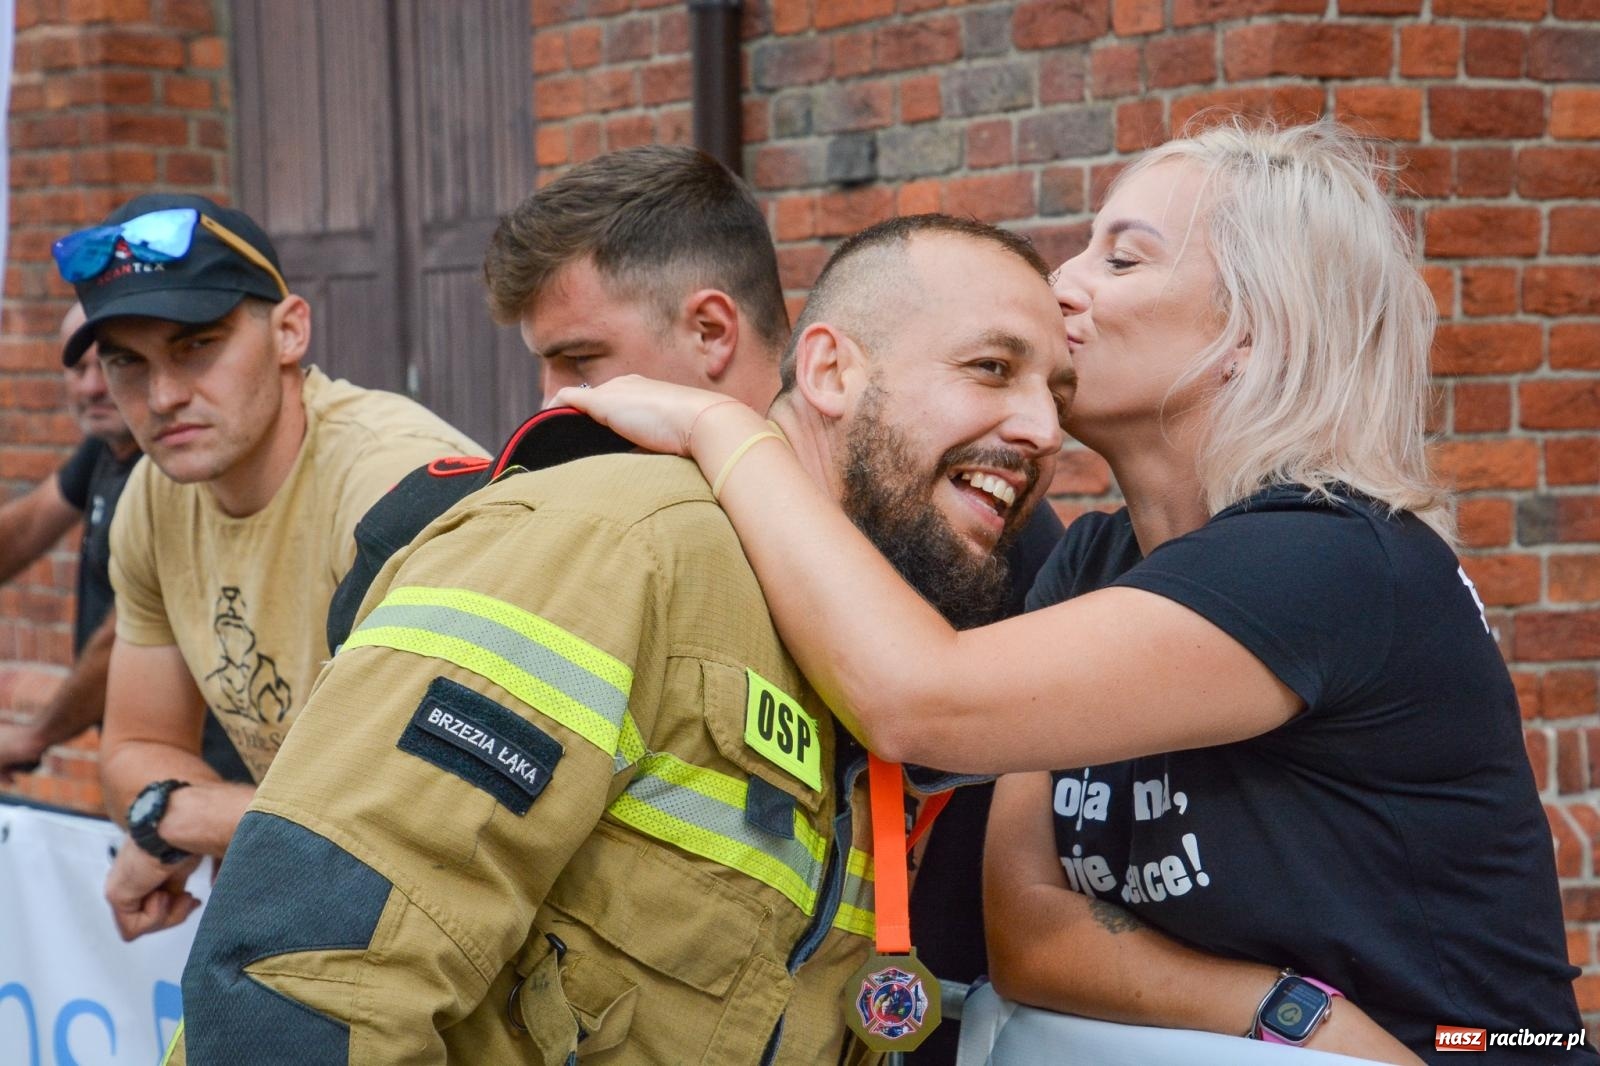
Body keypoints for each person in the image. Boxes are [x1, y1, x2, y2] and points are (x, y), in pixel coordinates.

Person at [558, 121, 1592, 1063]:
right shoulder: (1093, 560)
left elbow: (916, 697)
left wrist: (727, 430)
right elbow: (1029, 929)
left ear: (1249, 334)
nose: (1063, 284)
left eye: (1122, 258)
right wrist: (1288, 1010)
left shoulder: (1333, 560)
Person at [170, 212, 1075, 1064]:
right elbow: (309, 976)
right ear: (831, 372)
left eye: (1058, 395)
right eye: (992, 368)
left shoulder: (854, 641)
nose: (1044, 430)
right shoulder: (614, 540)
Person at [50, 192, 484, 942]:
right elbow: (134, 751)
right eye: (127, 362)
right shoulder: (152, 497)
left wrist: (190, 818)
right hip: (343, 908)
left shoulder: (392, 486)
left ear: (290, 332)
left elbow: (446, 805)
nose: (163, 396)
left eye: (197, 345)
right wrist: (183, 813)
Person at [0, 306, 250, 787]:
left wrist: (35, 736)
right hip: (143, 761)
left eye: (111, 364)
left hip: (204, 762)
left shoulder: (172, 471)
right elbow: (26, 527)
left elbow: (121, 635)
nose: (93, 387)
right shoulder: (106, 448)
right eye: (79, 369)